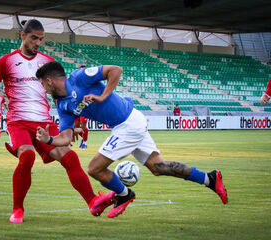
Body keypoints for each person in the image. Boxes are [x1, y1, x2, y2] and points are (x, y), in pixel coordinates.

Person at [35, 62, 228, 218]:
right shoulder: (62, 104)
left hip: (127, 123)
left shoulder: (79, 77)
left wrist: (103, 96)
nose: (43, 89)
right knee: (158, 168)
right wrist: (49, 139)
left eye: (42, 84)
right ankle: (209, 178)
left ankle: (125, 195)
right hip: (128, 123)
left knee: (94, 168)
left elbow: (116, 70)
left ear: (50, 81)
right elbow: (66, 137)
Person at [0, 19, 115, 223]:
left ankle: (93, 201)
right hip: (18, 121)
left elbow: (60, 94)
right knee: (27, 157)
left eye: (40, 39)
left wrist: (72, 124)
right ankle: (17, 210)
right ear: (22, 36)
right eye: (34, 38)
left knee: (70, 158)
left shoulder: (47, 61)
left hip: (43, 121)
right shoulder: (6, 61)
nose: (37, 43)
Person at [74, 65, 89, 149]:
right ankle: (83, 138)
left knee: (83, 126)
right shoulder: (76, 82)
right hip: (76, 106)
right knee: (75, 126)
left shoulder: (89, 82)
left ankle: (85, 142)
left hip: (85, 105)